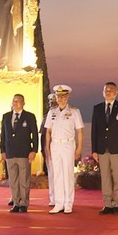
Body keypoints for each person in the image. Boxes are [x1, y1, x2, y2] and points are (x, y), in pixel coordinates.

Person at [91, 82, 118, 215]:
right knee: (105, 177)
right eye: (106, 90)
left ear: (116, 92)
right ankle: (107, 203)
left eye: (111, 90)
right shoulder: (97, 108)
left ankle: (117, 204)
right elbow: (94, 130)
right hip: (102, 149)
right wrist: (94, 150)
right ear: (103, 92)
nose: (108, 92)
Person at [45, 85, 83, 214]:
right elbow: (48, 131)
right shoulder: (52, 112)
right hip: (55, 145)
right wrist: (47, 147)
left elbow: (80, 131)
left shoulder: (74, 111)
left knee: (67, 174)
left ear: (67, 97)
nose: (60, 99)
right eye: (58, 96)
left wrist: (79, 148)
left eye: (63, 96)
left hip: (68, 144)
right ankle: (59, 202)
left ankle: (68, 203)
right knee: (57, 174)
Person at [0, 94, 38, 213]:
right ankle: (16, 202)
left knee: (24, 180)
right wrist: (2, 151)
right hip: (10, 153)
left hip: (24, 153)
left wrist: (34, 150)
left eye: (18, 101)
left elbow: (35, 135)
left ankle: (23, 203)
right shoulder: (6, 116)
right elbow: (3, 136)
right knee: (13, 180)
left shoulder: (29, 116)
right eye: (14, 101)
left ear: (23, 103)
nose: (16, 103)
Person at [40, 93, 58, 206]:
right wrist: (43, 150)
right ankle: (53, 198)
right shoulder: (46, 117)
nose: (52, 104)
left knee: (61, 174)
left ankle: (63, 198)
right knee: (51, 174)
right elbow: (43, 134)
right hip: (49, 150)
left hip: (61, 147)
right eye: (50, 102)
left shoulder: (66, 114)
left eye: (54, 102)